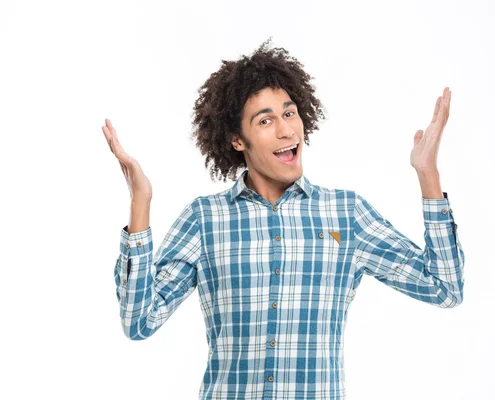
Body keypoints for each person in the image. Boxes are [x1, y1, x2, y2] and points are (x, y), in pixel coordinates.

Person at [102, 38, 465, 400]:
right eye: (266, 120)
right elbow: (139, 322)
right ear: (237, 140)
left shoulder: (345, 214)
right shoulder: (205, 218)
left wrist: (427, 174)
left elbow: (444, 288)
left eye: (289, 113)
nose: (286, 130)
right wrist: (140, 204)